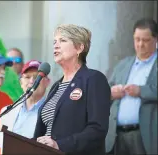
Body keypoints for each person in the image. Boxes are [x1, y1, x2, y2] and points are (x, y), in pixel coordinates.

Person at [33, 24, 111, 155]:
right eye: (54, 42)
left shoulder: (93, 79)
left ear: (80, 47)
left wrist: (60, 145)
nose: (56, 45)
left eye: (63, 41)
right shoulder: (56, 87)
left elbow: (97, 129)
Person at [105, 18, 157, 155]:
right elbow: (102, 93)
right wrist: (111, 93)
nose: (140, 44)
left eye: (146, 40)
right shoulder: (123, 65)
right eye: (137, 39)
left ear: (156, 40)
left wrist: (141, 90)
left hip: (145, 137)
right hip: (117, 136)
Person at [0, 60, 50, 138]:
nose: (32, 81)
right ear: (21, 83)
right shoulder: (6, 112)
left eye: (37, 77)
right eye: (27, 77)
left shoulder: (52, 112)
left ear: (47, 82)